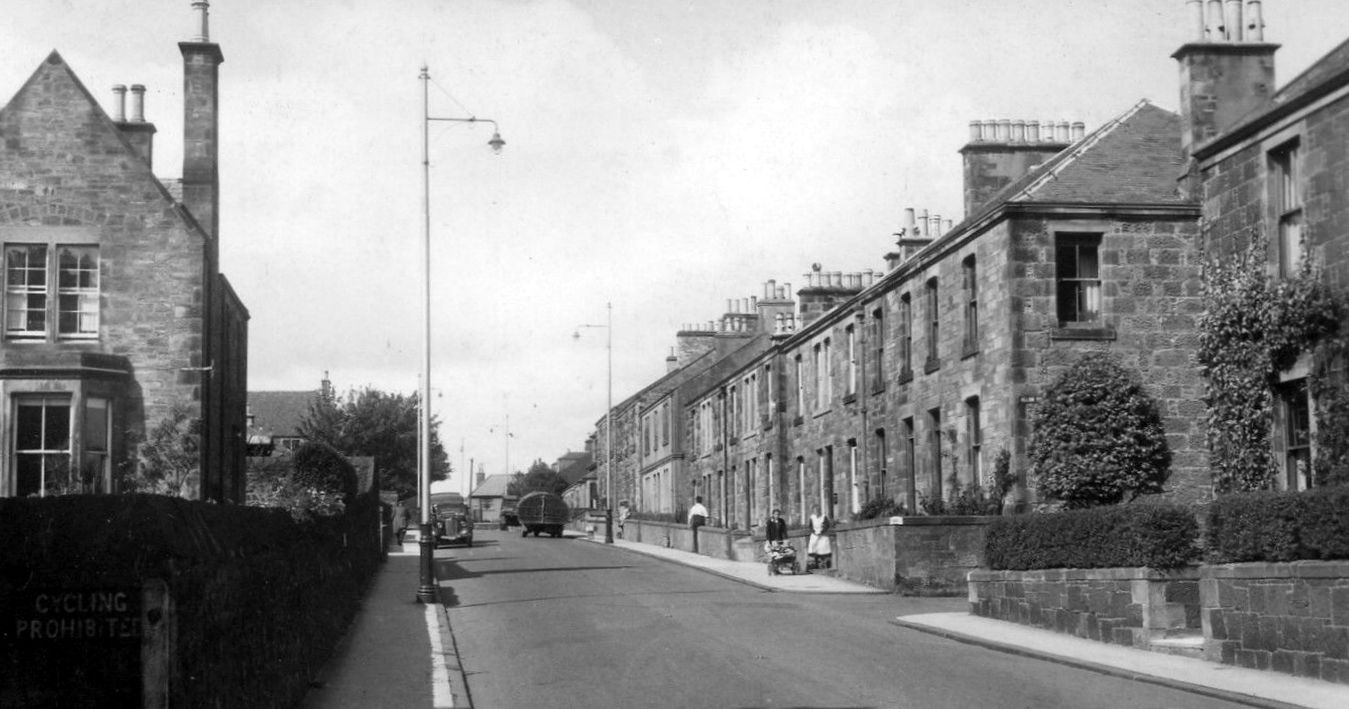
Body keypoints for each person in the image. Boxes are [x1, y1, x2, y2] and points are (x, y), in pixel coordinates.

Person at [807, 506, 832, 571]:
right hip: (815, 535)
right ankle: (815, 563)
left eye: (818, 510)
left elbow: (827, 525)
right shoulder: (812, 517)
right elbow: (810, 526)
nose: (817, 512)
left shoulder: (824, 516)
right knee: (814, 548)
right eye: (815, 511)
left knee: (823, 548)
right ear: (813, 511)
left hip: (822, 535)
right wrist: (814, 532)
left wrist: (822, 531)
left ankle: (825, 563)